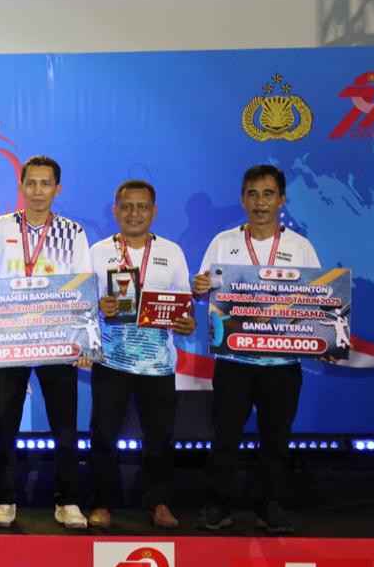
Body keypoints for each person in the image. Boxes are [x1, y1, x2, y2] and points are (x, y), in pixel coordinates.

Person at [191, 164, 321, 534]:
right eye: (252, 194)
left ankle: (269, 504)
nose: (260, 202)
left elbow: (316, 300)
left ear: (282, 199)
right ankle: (218, 504)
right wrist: (199, 287)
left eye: (268, 194)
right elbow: (202, 290)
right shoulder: (223, 242)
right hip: (234, 358)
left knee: (276, 437)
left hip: (282, 361)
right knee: (225, 434)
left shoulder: (300, 247)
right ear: (242, 199)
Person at [0, 155, 92, 529]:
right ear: (21, 186)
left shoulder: (72, 232)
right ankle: (5, 499)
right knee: (4, 423)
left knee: (65, 426)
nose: (38, 191)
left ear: (57, 189)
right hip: (9, 339)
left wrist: (84, 343)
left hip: (58, 340)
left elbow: (84, 286)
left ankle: (68, 501)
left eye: (45, 184)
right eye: (31, 183)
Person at [87, 179, 195, 529]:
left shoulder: (172, 253)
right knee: (103, 436)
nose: (134, 213)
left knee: (159, 439)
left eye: (142, 206)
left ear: (154, 211)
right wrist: (98, 306)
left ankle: (159, 503)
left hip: (158, 365)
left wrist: (187, 323)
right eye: (127, 206)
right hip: (111, 361)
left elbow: (186, 307)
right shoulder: (97, 252)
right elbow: (82, 304)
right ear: (115, 210)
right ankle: (103, 503)